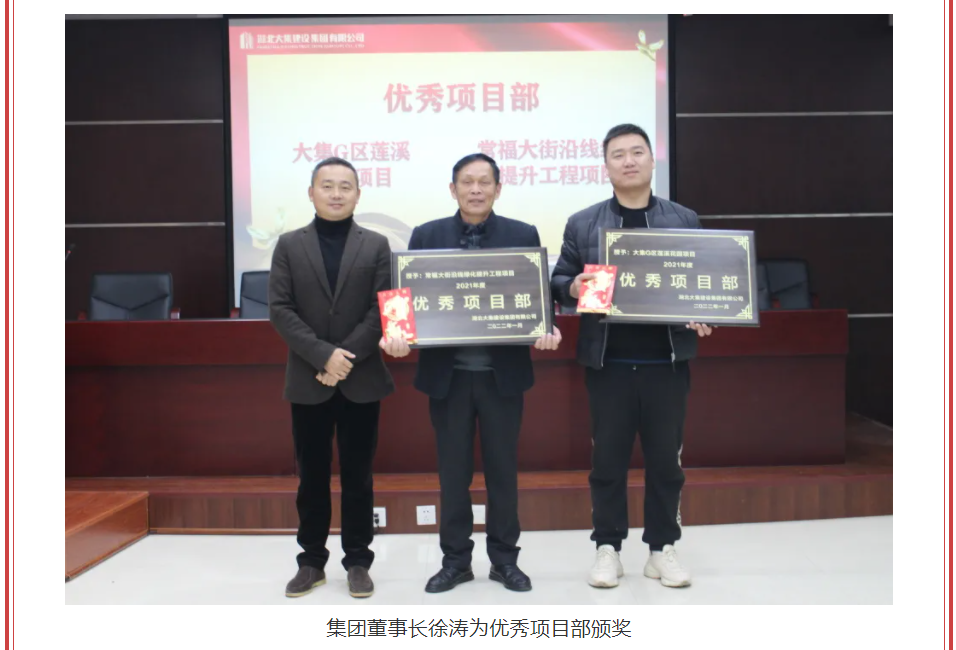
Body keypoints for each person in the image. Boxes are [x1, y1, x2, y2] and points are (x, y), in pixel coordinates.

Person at [381, 153, 562, 594]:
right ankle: (456, 562)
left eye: (484, 182)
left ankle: (504, 561)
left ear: (498, 189)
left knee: (503, 473)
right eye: (467, 182)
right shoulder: (427, 235)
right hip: (449, 379)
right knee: (453, 475)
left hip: (503, 378)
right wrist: (395, 334)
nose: (476, 189)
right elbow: (404, 295)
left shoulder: (522, 234)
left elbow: (536, 295)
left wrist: (548, 326)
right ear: (453, 189)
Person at [550, 124, 713, 589]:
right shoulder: (584, 222)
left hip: (667, 361)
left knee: (666, 463)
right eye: (618, 154)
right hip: (609, 363)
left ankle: (662, 549)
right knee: (607, 463)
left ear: (651, 160)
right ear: (606, 167)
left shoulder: (683, 219)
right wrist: (573, 286)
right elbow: (558, 280)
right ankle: (608, 548)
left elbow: (705, 279)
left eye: (637, 152)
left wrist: (705, 311)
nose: (628, 161)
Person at [269, 157, 394, 599]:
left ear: (358, 194)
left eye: (345, 186)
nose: (336, 193)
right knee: (312, 476)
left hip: (361, 380)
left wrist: (344, 358)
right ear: (311, 193)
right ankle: (311, 562)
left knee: (359, 476)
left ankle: (358, 561)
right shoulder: (289, 245)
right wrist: (323, 356)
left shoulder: (377, 245)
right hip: (309, 378)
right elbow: (280, 309)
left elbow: (382, 307)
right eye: (327, 185)